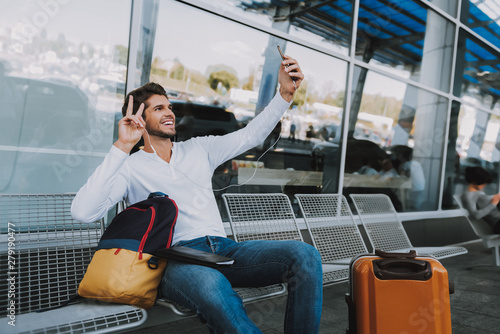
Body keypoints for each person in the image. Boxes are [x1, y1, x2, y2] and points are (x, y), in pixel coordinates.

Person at [71, 55, 323, 334]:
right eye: (158, 109)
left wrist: (285, 94)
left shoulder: (199, 149)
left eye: (169, 106)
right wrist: (121, 146)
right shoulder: (130, 167)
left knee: (305, 255)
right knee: (210, 285)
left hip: (223, 250)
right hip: (174, 260)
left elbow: (251, 135)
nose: (169, 112)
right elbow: (83, 212)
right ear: (140, 119)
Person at [461, 166, 500, 234]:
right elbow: (476, 215)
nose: (484, 185)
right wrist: (494, 203)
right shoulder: (468, 195)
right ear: (474, 181)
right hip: (497, 223)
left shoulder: (480, 193)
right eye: (482, 183)